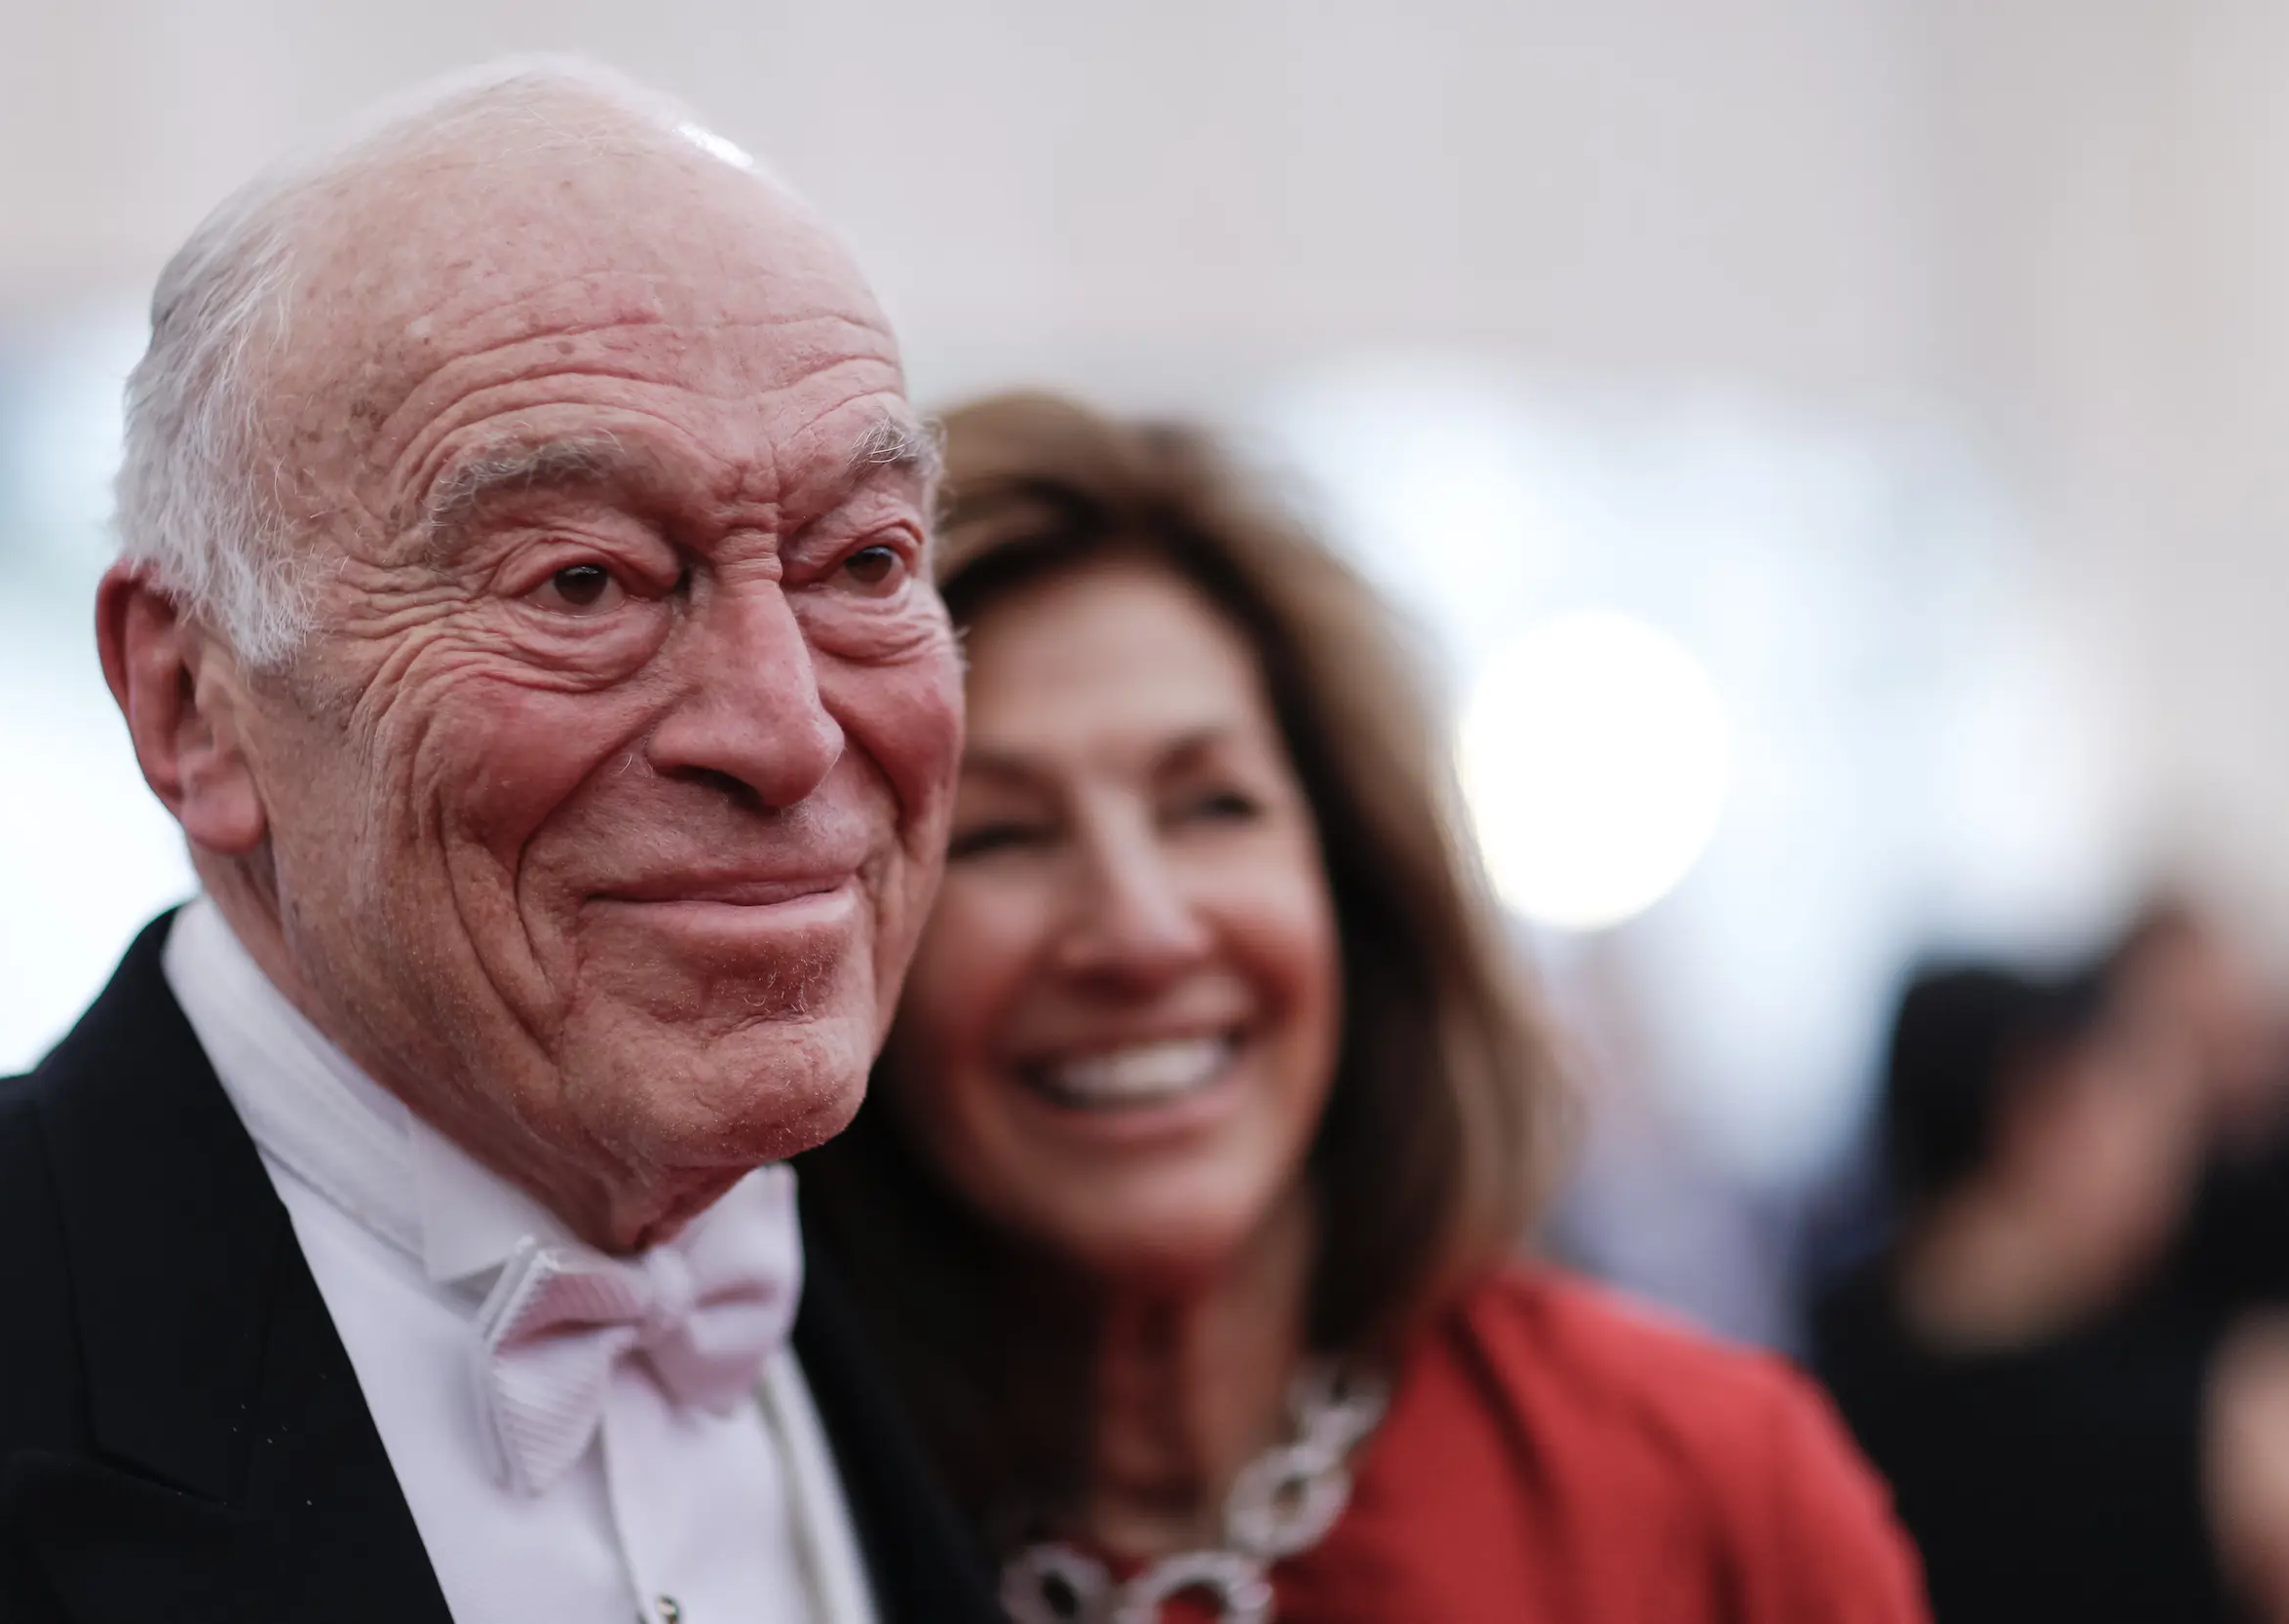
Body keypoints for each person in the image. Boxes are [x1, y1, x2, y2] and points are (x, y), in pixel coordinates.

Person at [0, 59, 1004, 1624]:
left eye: (863, 559)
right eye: (582, 581)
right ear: (192, 701)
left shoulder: (993, 1300)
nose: (788, 729)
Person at [797, 392, 1927, 1624]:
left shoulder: (1704, 1481)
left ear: (1354, 885)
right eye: (997, 832)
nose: (1139, 928)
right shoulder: (741, 1498)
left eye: (1211, 805)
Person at [1812, 962, 2226, 1622]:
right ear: (2039, 1111)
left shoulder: (1816, 1369)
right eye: (2137, 1102)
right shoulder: (2203, 1428)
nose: (2172, 1154)